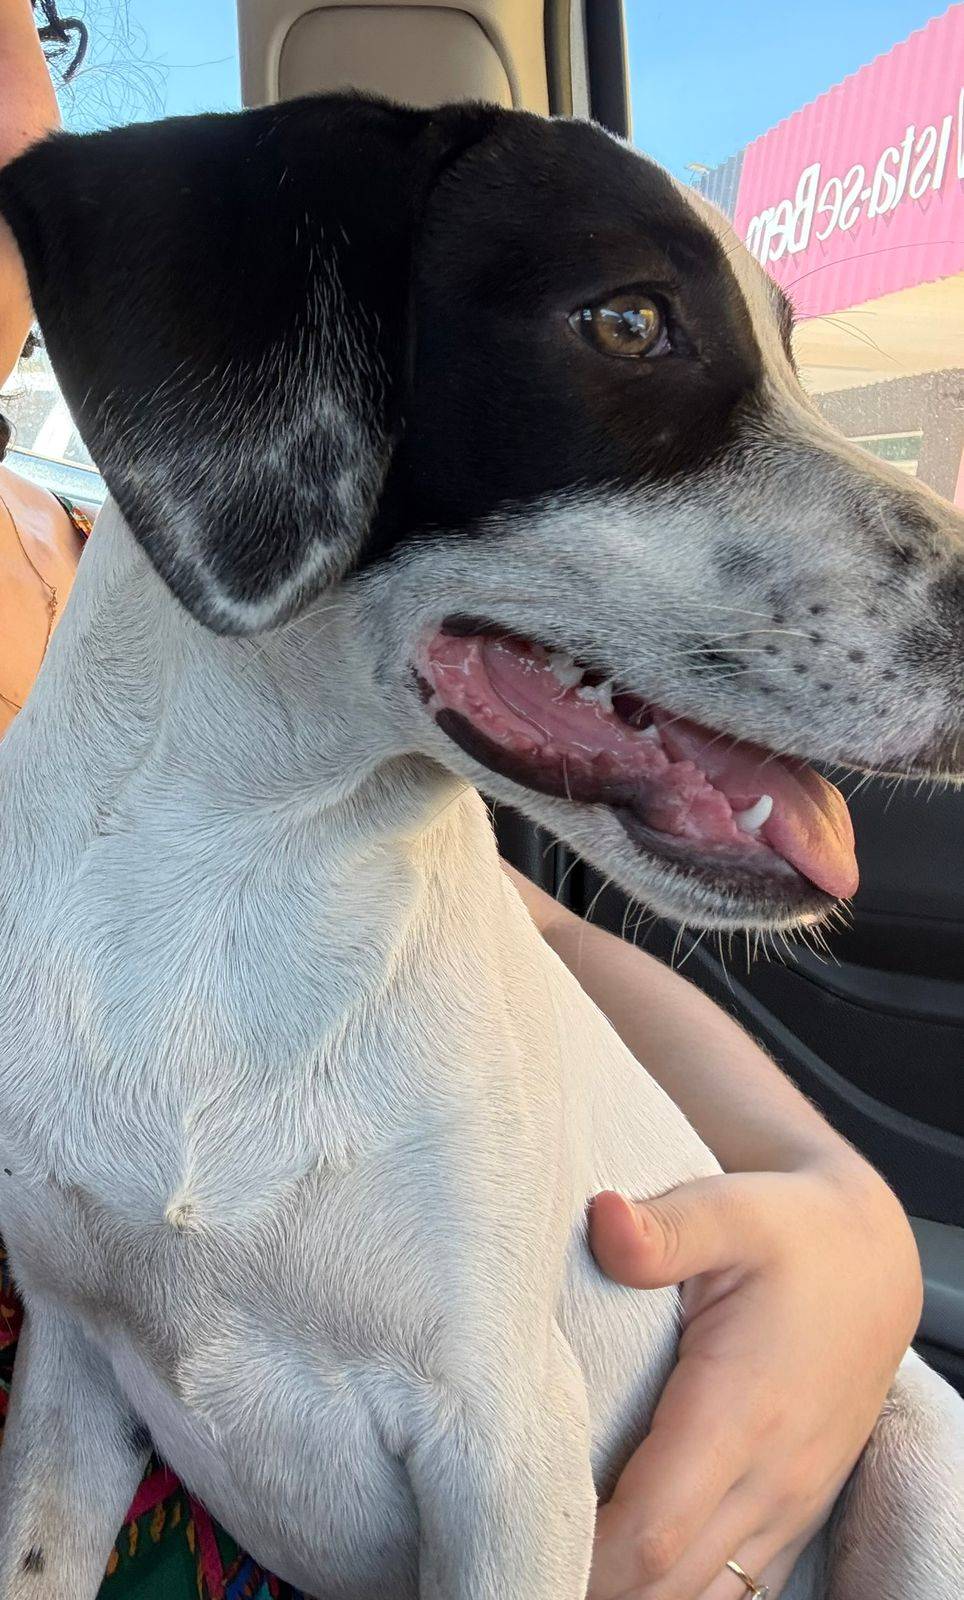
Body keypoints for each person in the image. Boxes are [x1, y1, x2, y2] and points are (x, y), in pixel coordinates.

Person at [0, 4, 923, 1597]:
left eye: (18, 27)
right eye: (629, 325)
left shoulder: (91, 565)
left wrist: (841, 1212)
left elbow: (523, 932)